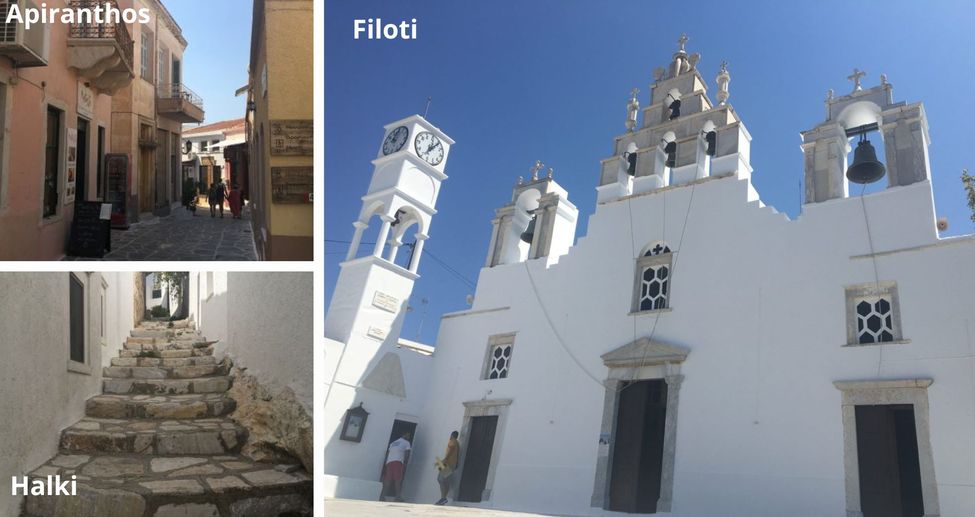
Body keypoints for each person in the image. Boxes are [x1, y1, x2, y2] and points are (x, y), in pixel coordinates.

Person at [382, 432, 412, 502]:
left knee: (388, 480)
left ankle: (382, 496)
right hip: (398, 462)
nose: (409, 436)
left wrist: (386, 463)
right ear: (404, 434)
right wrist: (405, 463)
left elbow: (388, 453)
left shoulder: (392, 443)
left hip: (389, 462)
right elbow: (407, 454)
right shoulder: (406, 443)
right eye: (408, 435)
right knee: (398, 480)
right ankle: (398, 497)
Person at [434, 431, 460, 505]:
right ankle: (443, 498)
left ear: (452, 435)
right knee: (446, 480)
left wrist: (445, 459)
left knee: (440, 479)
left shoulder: (452, 441)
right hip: (452, 464)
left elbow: (451, 450)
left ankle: (443, 498)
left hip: (447, 463)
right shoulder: (457, 443)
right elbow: (457, 453)